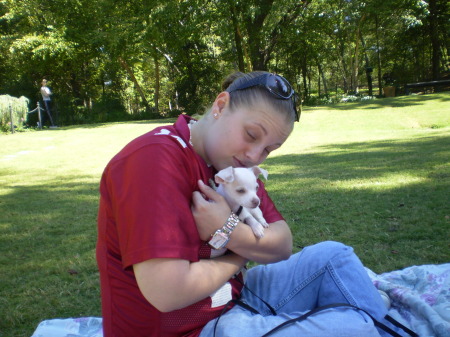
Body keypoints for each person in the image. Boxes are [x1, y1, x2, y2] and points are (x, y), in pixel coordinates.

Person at [96, 71, 410, 337]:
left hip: (234, 298)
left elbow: (282, 243)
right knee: (352, 326)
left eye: (269, 150)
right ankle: (373, 321)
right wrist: (238, 259)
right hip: (190, 329)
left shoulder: (232, 167)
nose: (254, 156)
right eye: (251, 134)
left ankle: (374, 322)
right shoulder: (153, 160)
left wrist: (227, 230)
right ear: (221, 105)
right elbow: (167, 293)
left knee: (334, 256)